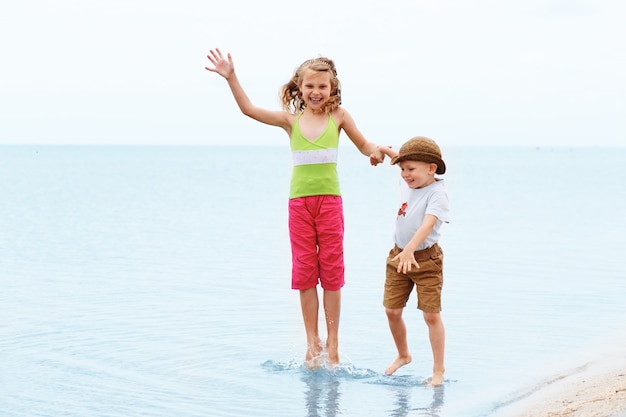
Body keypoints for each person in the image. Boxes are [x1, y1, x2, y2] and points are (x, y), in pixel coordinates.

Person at [205, 48, 386, 368]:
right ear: (299, 88)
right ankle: (311, 342)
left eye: (323, 86)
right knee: (305, 275)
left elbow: (364, 145)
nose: (316, 92)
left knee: (331, 274)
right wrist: (231, 77)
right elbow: (248, 110)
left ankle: (333, 344)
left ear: (333, 89)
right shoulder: (290, 121)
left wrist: (376, 151)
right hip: (299, 205)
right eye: (310, 86)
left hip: (330, 203)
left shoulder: (339, 117)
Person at [377, 136, 450, 386]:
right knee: (392, 310)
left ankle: (438, 371)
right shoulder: (409, 181)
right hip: (398, 256)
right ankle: (403, 354)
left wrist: (410, 249)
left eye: (410, 170)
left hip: (426, 260)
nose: (405, 174)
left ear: (431, 168)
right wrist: (382, 151)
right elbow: (398, 155)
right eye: (402, 169)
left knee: (431, 315)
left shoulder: (437, 193)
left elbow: (428, 223)